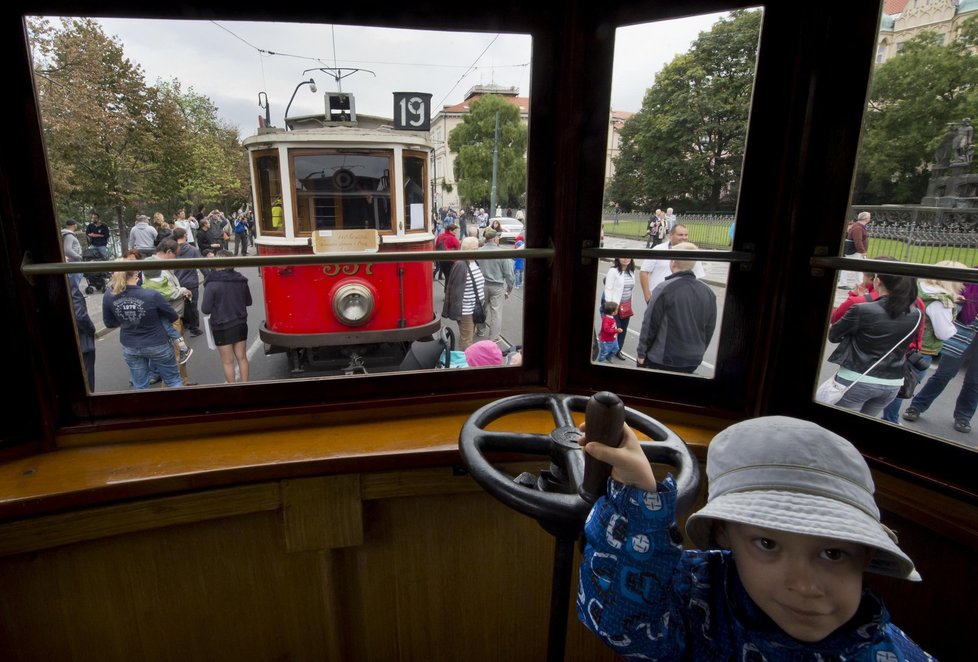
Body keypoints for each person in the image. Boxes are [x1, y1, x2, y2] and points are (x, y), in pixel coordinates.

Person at [577, 415, 930, 660]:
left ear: (866, 555)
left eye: (833, 553)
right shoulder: (699, 594)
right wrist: (638, 493)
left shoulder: (892, 655)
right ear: (723, 534)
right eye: (767, 544)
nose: (805, 586)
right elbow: (623, 624)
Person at [826, 272, 920, 415]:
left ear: (878, 281)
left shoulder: (862, 309)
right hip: (892, 382)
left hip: (857, 378)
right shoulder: (916, 314)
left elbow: (834, 336)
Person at [881, 263, 962, 423]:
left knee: (893, 383)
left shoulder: (917, 288)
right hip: (921, 350)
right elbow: (943, 333)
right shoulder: (941, 301)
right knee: (903, 388)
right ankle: (890, 420)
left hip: (901, 341)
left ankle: (889, 418)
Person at [904, 274, 978, 433]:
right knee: (945, 373)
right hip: (963, 329)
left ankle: (963, 416)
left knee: (975, 380)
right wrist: (957, 299)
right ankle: (916, 406)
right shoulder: (972, 273)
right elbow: (954, 292)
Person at [636, 243, 717, 373]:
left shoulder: (664, 289)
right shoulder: (708, 292)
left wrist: (641, 353)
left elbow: (650, 324)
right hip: (692, 360)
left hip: (663, 359)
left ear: (673, 262)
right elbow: (709, 329)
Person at [102, 266, 183, 389]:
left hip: (130, 345)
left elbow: (109, 323)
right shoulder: (151, 295)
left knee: (140, 385)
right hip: (157, 343)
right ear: (136, 274)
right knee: (173, 381)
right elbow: (173, 316)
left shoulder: (109, 295)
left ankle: (144, 407)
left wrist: (126, 320)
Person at [142, 240, 196, 385]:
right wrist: (183, 290)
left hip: (171, 313)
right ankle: (175, 385)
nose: (176, 259)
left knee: (177, 351)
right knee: (176, 353)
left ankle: (183, 381)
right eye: (175, 255)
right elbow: (165, 293)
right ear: (168, 252)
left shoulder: (154, 264)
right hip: (170, 314)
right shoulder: (157, 268)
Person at [201, 250, 252, 383]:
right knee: (242, 357)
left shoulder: (212, 284)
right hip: (240, 322)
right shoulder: (241, 280)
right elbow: (248, 301)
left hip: (221, 326)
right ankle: (246, 385)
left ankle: (233, 389)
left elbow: (205, 309)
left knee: (227, 362)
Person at [638, 223, 705, 303]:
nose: (684, 237)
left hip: (681, 300)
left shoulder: (692, 252)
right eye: (680, 235)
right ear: (671, 235)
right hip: (658, 298)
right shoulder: (658, 249)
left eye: (686, 235)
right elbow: (644, 272)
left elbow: (697, 277)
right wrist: (647, 297)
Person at [442, 236, 485, 350]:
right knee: (467, 341)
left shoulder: (474, 262)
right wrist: (456, 312)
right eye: (476, 248)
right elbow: (455, 291)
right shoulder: (461, 265)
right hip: (466, 311)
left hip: (474, 309)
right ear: (470, 250)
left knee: (469, 337)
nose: (479, 250)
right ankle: (465, 363)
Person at [476, 228, 515, 343]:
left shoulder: (478, 251)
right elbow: (509, 273)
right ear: (493, 239)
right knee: (496, 312)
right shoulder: (502, 253)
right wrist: (509, 287)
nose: (499, 239)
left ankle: (480, 330)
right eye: (498, 237)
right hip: (497, 286)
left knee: (481, 308)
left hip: (481, 284)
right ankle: (493, 337)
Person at [602, 257, 636, 360]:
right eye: (623, 257)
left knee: (623, 330)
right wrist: (611, 308)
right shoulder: (613, 271)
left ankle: (618, 351)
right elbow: (608, 289)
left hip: (626, 307)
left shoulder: (631, 271)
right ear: (618, 258)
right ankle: (608, 351)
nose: (626, 259)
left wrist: (631, 306)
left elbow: (630, 291)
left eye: (628, 257)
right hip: (615, 307)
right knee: (614, 330)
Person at [171, 227, 204, 337]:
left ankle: (183, 325)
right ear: (185, 235)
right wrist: (209, 277)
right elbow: (202, 265)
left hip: (177, 282)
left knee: (179, 305)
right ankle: (194, 328)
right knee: (192, 305)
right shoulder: (193, 249)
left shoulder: (172, 251)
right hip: (191, 281)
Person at [69, 275, 96, 390]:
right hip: (82, 341)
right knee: (86, 376)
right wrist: (91, 329)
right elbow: (80, 316)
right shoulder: (71, 286)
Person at [841, 211, 871, 289]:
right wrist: (863, 251)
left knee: (858, 268)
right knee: (850, 267)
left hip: (855, 251)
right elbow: (858, 241)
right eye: (869, 217)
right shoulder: (858, 227)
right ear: (865, 219)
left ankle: (859, 284)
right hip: (855, 251)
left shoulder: (858, 226)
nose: (870, 219)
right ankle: (842, 284)